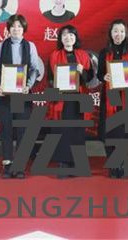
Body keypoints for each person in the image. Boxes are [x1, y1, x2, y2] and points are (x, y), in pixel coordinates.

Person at [0, 14, 40, 179]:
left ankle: (19, 166)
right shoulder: (0, 46)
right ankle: (7, 164)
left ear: (24, 29)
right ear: (8, 29)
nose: (16, 29)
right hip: (5, 95)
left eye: (19, 26)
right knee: (6, 129)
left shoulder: (30, 46)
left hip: (23, 95)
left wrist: (29, 86)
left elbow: (34, 69)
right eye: (13, 26)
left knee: (22, 130)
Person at [47, 25, 93, 178]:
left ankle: (77, 163)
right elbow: (50, 79)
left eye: (71, 35)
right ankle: (63, 164)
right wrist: (55, 88)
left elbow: (90, 78)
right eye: (65, 35)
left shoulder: (83, 55)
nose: (68, 38)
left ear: (75, 38)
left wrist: (82, 70)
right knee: (63, 131)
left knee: (77, 131)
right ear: (61, 39)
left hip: (78, 98)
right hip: (62, 99)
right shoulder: (54, 55)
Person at [97, 19, 128, 178]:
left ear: (125, 33)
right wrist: (104, 77)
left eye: (121, 31)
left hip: (126, 98)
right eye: (115, 31)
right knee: (109, 132)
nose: (118, 34)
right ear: (110, 33)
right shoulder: (104, 52)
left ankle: (120, 163)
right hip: (109, 96)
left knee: (122, 132)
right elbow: (99, 74)